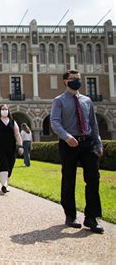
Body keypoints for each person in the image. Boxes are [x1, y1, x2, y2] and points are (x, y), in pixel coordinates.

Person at [51, 69, 104, 233]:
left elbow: (93, 124)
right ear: (66, 81)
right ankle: (70, 215)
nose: (77, 81)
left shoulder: (87, 101)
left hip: (87, 143)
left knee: (93, 178)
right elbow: (54, 122)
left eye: (79, 79)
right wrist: (66, 137)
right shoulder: (59, 101)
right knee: (69, 179)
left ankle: (92, 218)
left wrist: (98, 143)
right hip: (68, 144)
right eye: (73, 79)